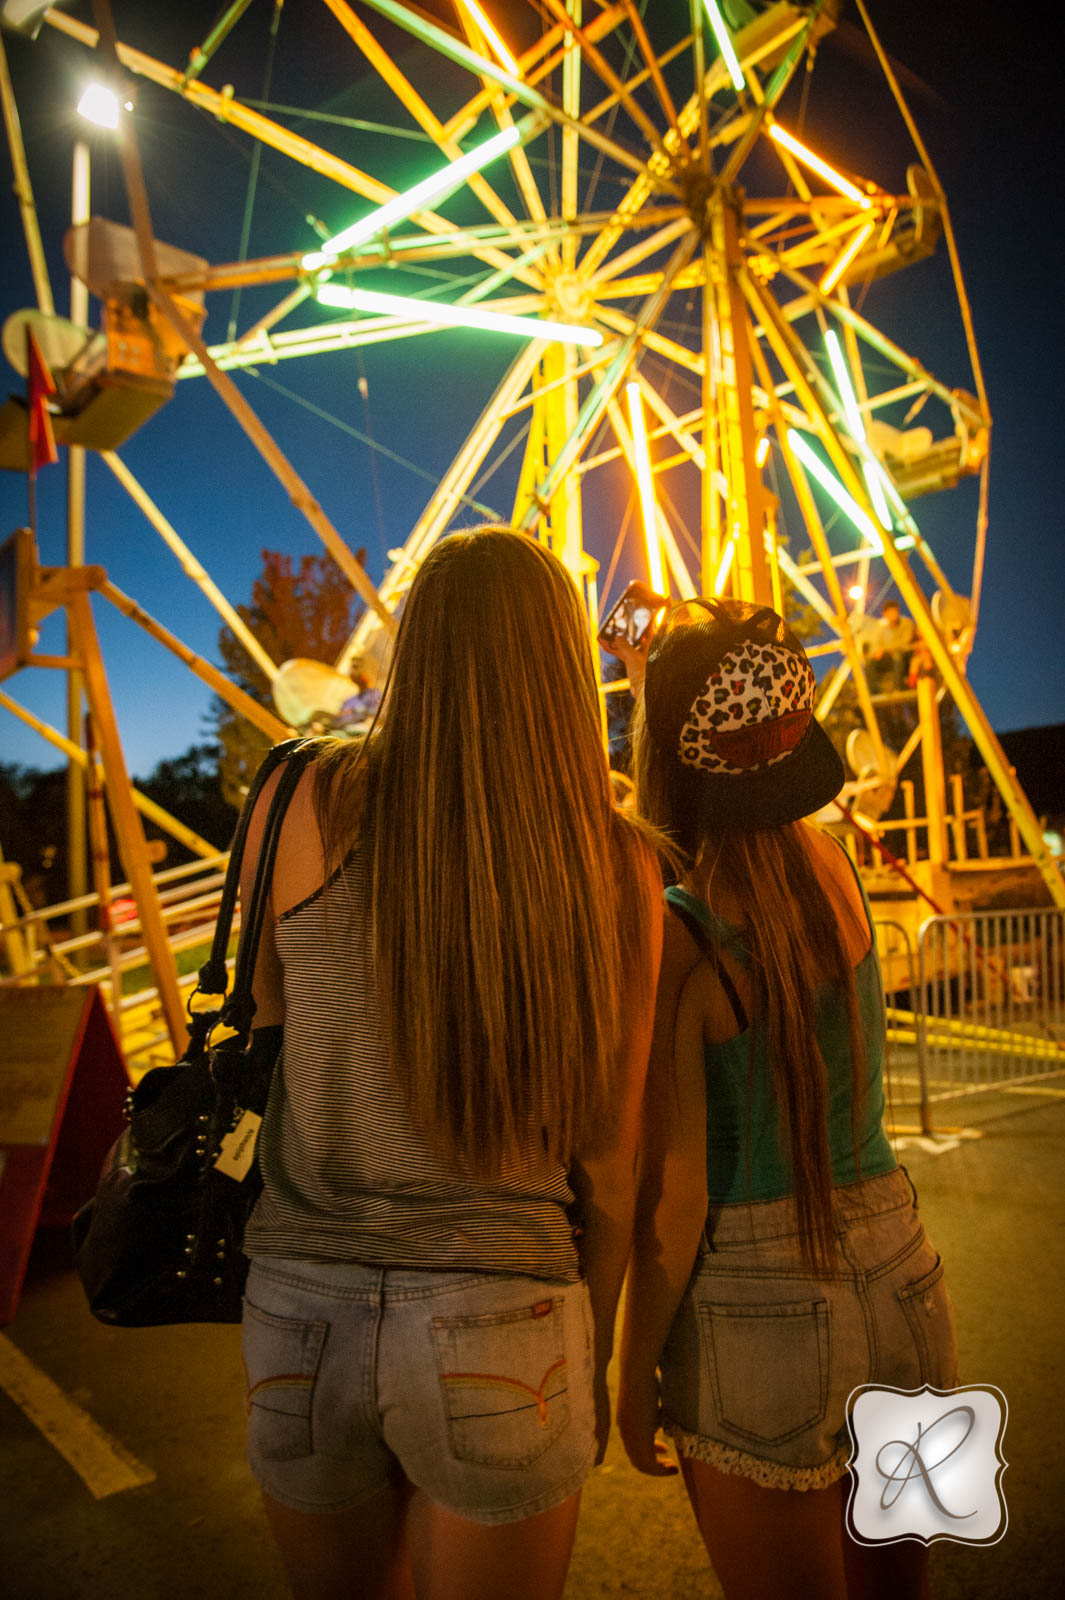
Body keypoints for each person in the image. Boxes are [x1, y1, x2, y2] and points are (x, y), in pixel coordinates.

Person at [238, 526, 663, 1600]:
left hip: (302, 1302)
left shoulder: (296, 800)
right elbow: (611, 1166)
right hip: (507, 1312)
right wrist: (601, 1339)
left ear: (414, 648)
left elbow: (265, 1025)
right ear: (564, 668)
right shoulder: (615, 863)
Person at [615, 598, 957, 1600]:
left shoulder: (684, 932)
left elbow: (675, 1200)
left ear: (679, 756)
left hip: (755, 1304)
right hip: (907, 1280)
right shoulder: (842, 876)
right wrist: (663, 690)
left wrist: (630, 1377)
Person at [863, 599, 915, 692]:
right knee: (870, 662)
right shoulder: (881, 627)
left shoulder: (906, 623)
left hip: (905, 656)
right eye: (890, 612)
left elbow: (905, 643)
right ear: (885, 614)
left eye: (895, 611)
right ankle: (875, 692)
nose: (893, 614)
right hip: (888, 657)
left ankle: (898, 688)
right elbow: (877, 644)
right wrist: (876, 653)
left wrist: (885, 649)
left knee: (897, 656)